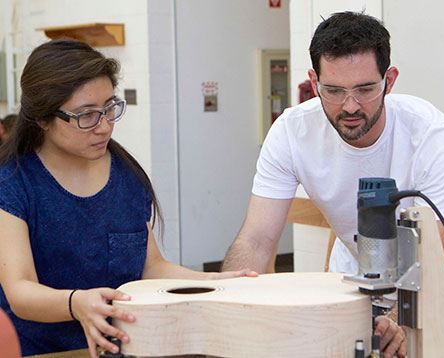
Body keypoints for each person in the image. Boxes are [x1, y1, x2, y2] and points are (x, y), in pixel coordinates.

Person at [222, 11, 444, 358]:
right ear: (314, 82)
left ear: (389, 81)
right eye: (333, 90)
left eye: (365, 89)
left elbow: (437, 258)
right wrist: (229, 308)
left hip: (439, 288)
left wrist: (400, 319)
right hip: (356, 284)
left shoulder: (432, 137)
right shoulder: (292, 132)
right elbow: (256, 240)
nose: (350, 106)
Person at [0, 39, 256, 358]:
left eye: (109, 108)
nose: (104, 126)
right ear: (42, 118)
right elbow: (20, 292)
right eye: (86, 116)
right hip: (42, 351)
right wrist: (75, 303)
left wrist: (214, 281)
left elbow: (150, 267)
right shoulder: (14, 182)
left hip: (125, 347)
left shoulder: (127, 176)